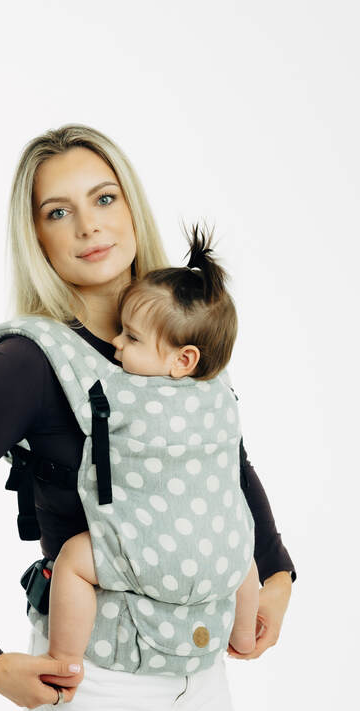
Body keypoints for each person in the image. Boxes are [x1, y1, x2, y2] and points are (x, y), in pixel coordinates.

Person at [0, 124, 296, 711]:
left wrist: (277, 574)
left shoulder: (179, 333)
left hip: (199, 678)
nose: (87, 226)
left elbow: (226, 465)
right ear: (36, 237)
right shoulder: (27, 362)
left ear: (131, 206)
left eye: (104, 198)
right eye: (57, 212)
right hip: (95, 689)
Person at [46, 221, 260, 680]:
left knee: (73, 562)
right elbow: (239, 470)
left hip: (151, 553)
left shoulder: (120, 390)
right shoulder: (221, 393)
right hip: (222, 551)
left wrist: (32, 332)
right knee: (245, 554)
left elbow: (69, 370)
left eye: (132, 337)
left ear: (183, 359)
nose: (116, 343)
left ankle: (63, 659)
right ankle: (243, 637)